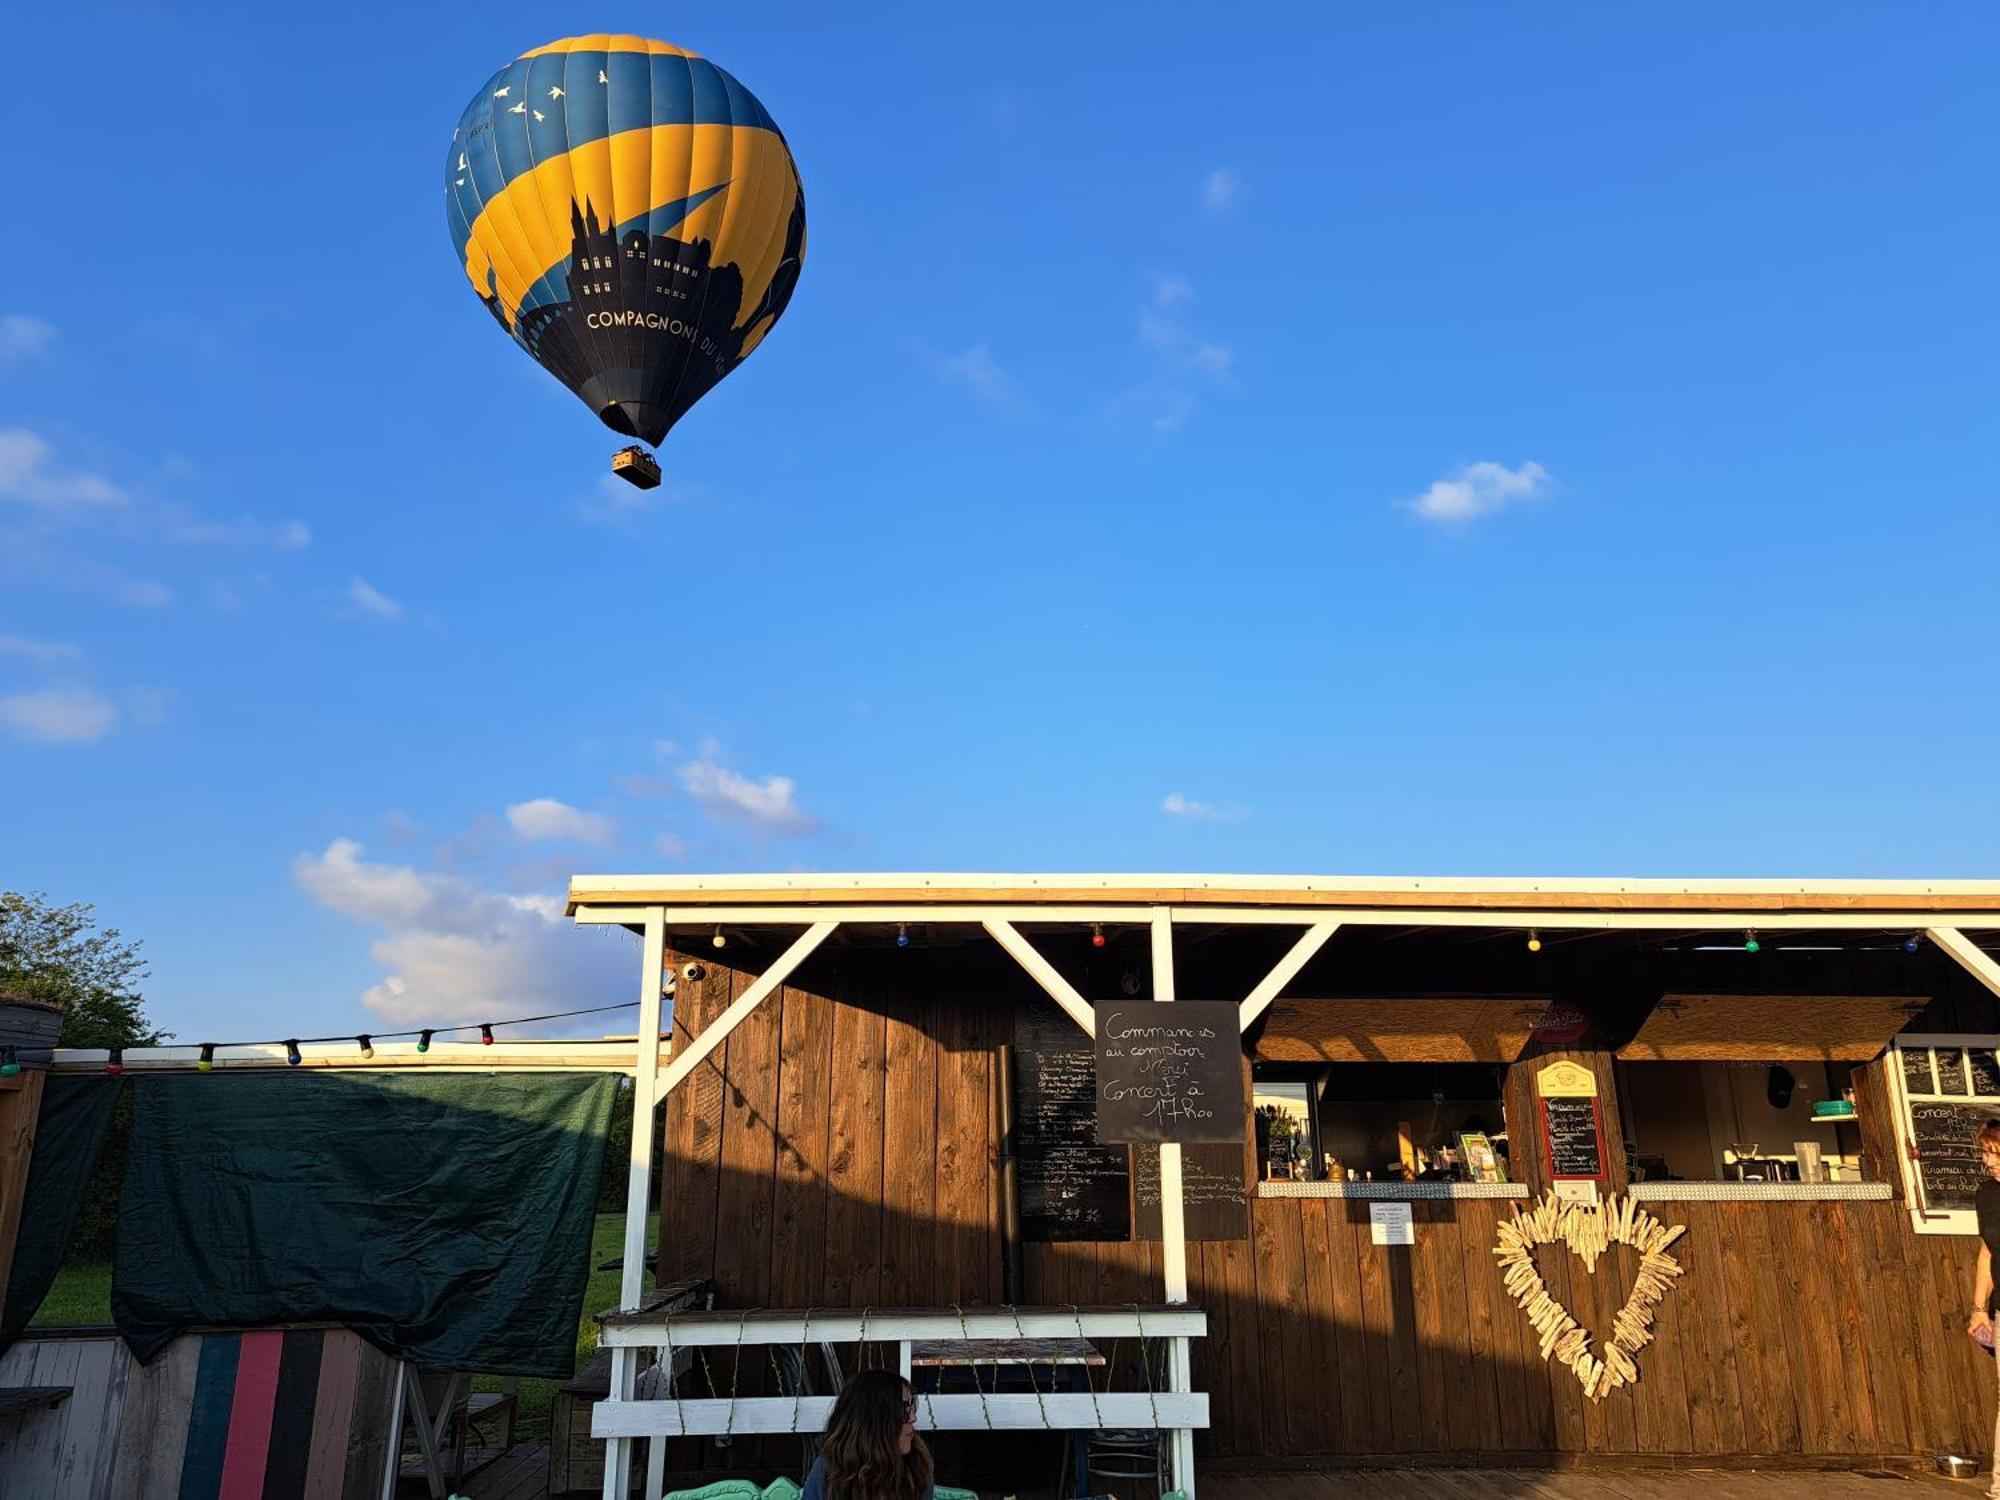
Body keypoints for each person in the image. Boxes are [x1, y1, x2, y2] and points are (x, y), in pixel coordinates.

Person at [801, 1368, 935, 1500]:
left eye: (911, 1407)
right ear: (876, 1422)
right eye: (904, 1410)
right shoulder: (829, 1470)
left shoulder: (916, 1469)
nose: (913, 1418)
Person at [1966, 1120, 2000, 1496]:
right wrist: (1979, 1308)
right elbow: (1987, 1251)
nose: (1989, 1161)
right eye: (1986, 1154)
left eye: (1995, 1152)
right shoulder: (1987, 1194)